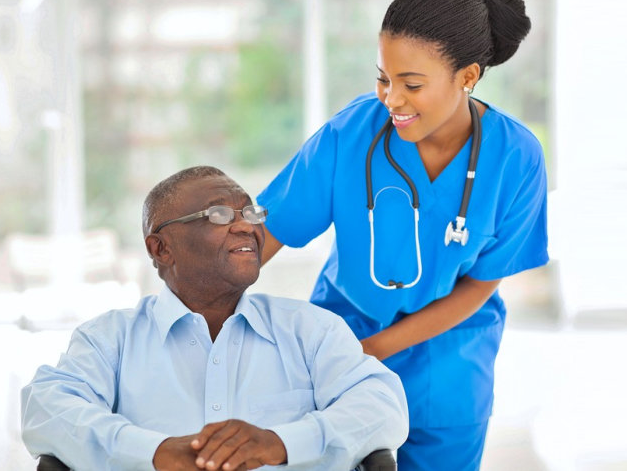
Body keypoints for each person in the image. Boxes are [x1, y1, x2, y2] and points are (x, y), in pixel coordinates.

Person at [257, 0, 547, 471]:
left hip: (448, 362)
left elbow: (480, 286)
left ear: (468, 76)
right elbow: (266, 234)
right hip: (341, 346)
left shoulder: (516, 158)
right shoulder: (350, 135)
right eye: (382, 78)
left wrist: (375, 349)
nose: (392, 99)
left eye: (412, 85)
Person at [21, 166, 408, 471]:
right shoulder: (109, 338)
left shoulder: (310, 329)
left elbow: (381, 406)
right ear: (161, 248)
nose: (246, 225)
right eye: (220, 214)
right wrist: (156, 453)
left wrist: (280, 443)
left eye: (250, 212)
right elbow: (47, 408)